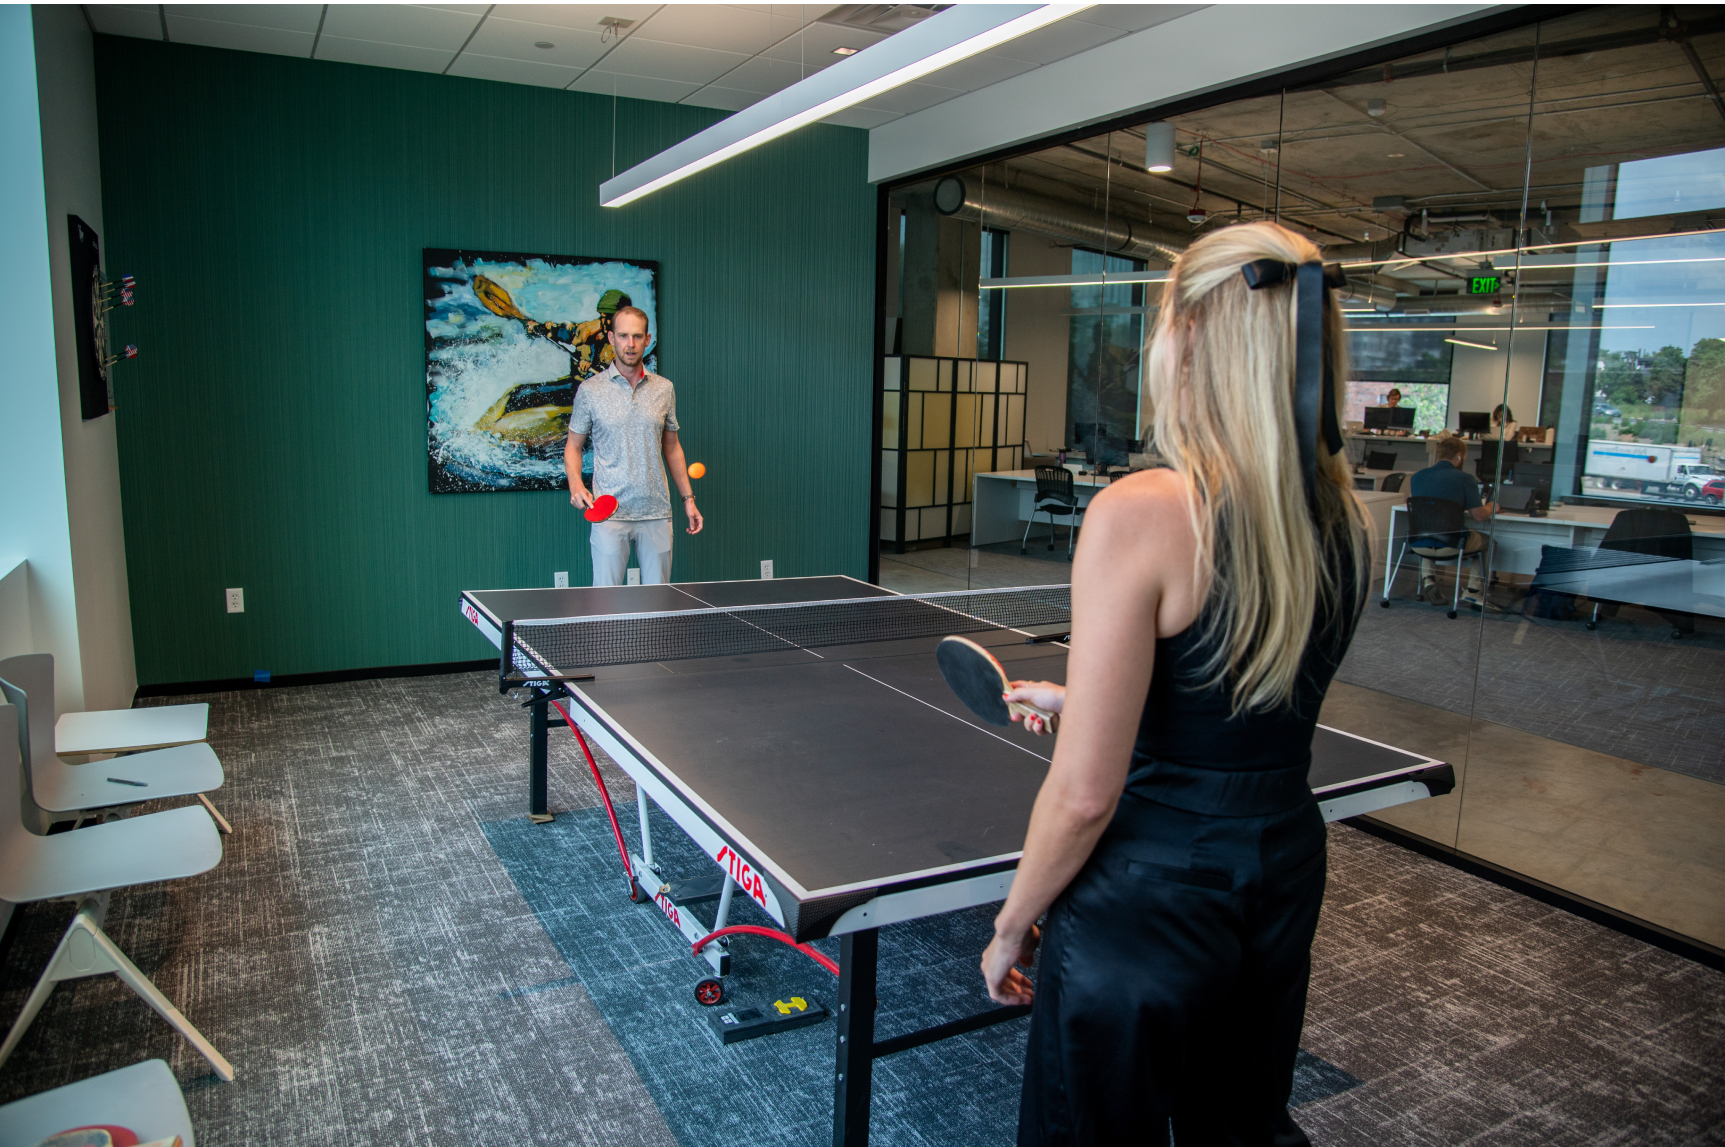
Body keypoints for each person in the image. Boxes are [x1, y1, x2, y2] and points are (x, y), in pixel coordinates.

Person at [980, 222, 1368, 1146]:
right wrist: (1085, 701)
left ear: (1188, 335)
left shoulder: (1143, 510)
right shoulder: (1344, 514)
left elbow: (1082, 794)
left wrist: (1010, 924)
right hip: (1279, 866)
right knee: (1236, 1122)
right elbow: (1243, 699)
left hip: (1148, 892)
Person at [563, 306, 703, 586]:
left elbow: (672, 447)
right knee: (607, 608)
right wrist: (576, 485)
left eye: (637, 336)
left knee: (658, 605)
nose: (630, 344)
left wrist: (689, 499)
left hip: (657, 512)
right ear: (612, 338)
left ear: (647, 339)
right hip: (610, 515)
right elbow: (573, 446)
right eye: (624, 336)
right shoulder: (590, 391)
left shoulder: (664, 388)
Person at [1409, 434, 1496, 611]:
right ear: (1458, 456)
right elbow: (1479, 515)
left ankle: (1428, 579)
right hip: (1450, 545)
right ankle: (1472, 591)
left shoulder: (1416, 477)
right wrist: (1491, 506)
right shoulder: (1465, 479)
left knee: (1430, 528)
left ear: (1439, 455)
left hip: (1417, 544)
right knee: (1489, 543)